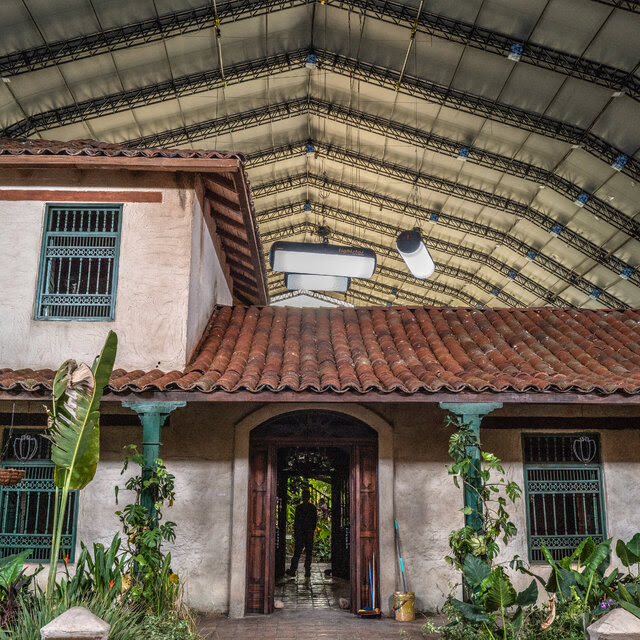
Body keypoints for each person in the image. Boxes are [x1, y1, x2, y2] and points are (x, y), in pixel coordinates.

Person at [286, 488, 317, 578]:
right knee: (308, 552)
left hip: (302, 533)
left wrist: (297, 533)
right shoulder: (312, 508)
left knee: (298, 552)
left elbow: (296, 522)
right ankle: (307, 570)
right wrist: (311, 531)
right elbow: (314, 522)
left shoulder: (299, 508)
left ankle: (293, 570)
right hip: (308, 533)